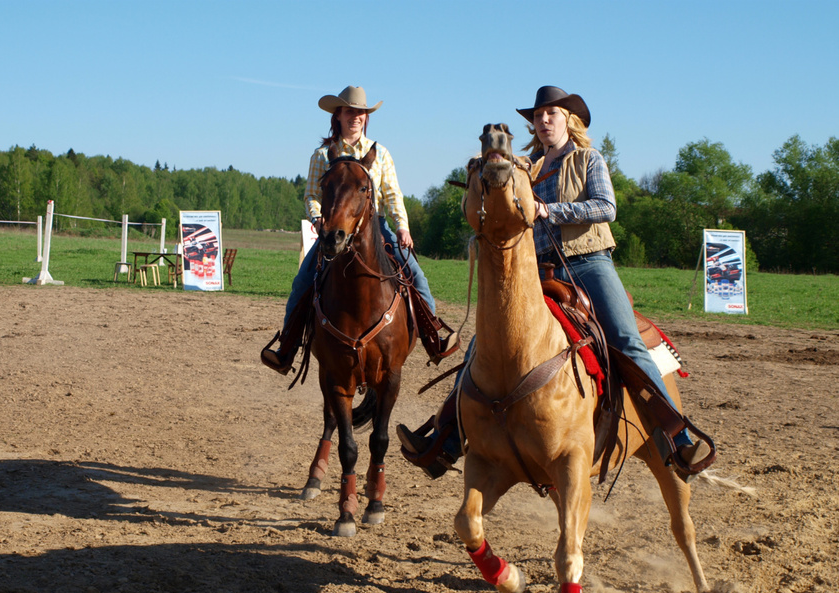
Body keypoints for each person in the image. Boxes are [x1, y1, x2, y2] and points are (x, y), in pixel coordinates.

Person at [397, 86, 711, 482]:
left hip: (589, 264)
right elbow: (498, 176)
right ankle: (444, 438)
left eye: (551, 114)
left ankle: (677, 435)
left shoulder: (588, 159)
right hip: (539, 271)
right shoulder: (527, 165)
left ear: (568, 120)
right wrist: (486, 160)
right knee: (483, 344)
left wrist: (551, 209)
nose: (543, 121)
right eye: (538, 115)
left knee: (626, 338)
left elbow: (606, 206)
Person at [261, 85, 457, 375]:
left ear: (366, 117)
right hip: (335, 231)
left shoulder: (381, 153)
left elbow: (392, 195)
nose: (356, 117)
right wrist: (318, 220)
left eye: (361, 112)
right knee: (302, 282)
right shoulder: (323, 155)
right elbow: (311, 196)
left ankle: (433, 336)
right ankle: (287, 348)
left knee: (416, 274)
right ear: (338, 115)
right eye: (350, 111)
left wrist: (402, 227)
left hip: (375, 228)